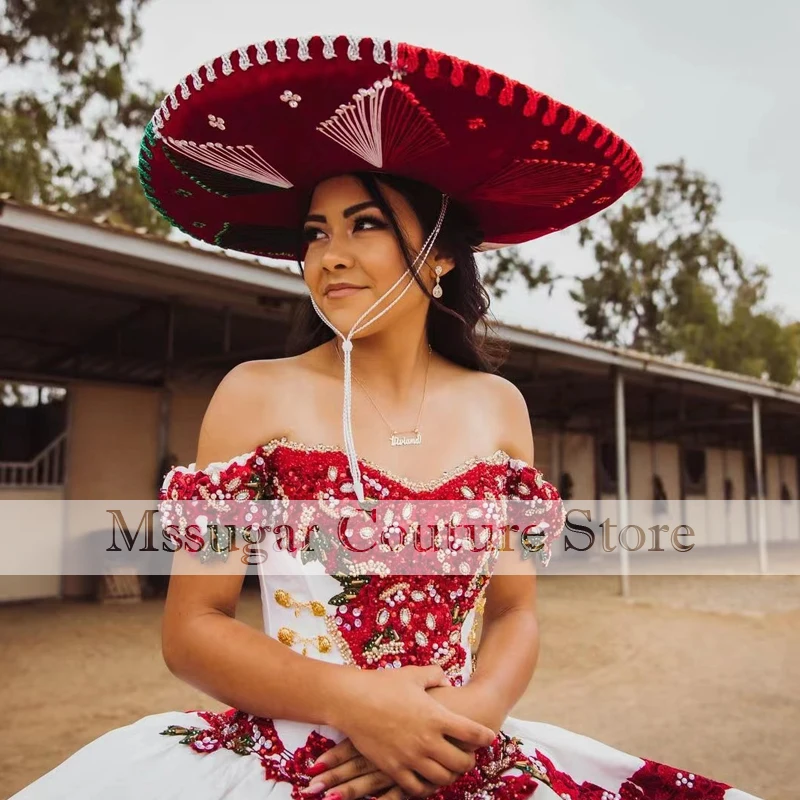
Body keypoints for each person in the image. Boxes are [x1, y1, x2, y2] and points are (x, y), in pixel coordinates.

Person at [11, 35, 762, 800]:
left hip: (459, 755)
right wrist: (358, 704)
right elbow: (193, 627)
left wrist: (462, 727)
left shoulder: (499, 407)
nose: (329, 255)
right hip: (297, 767)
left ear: (439, 253)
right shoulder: (254, 395)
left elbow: (515, 615)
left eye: (364, 223)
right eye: (314, 232)